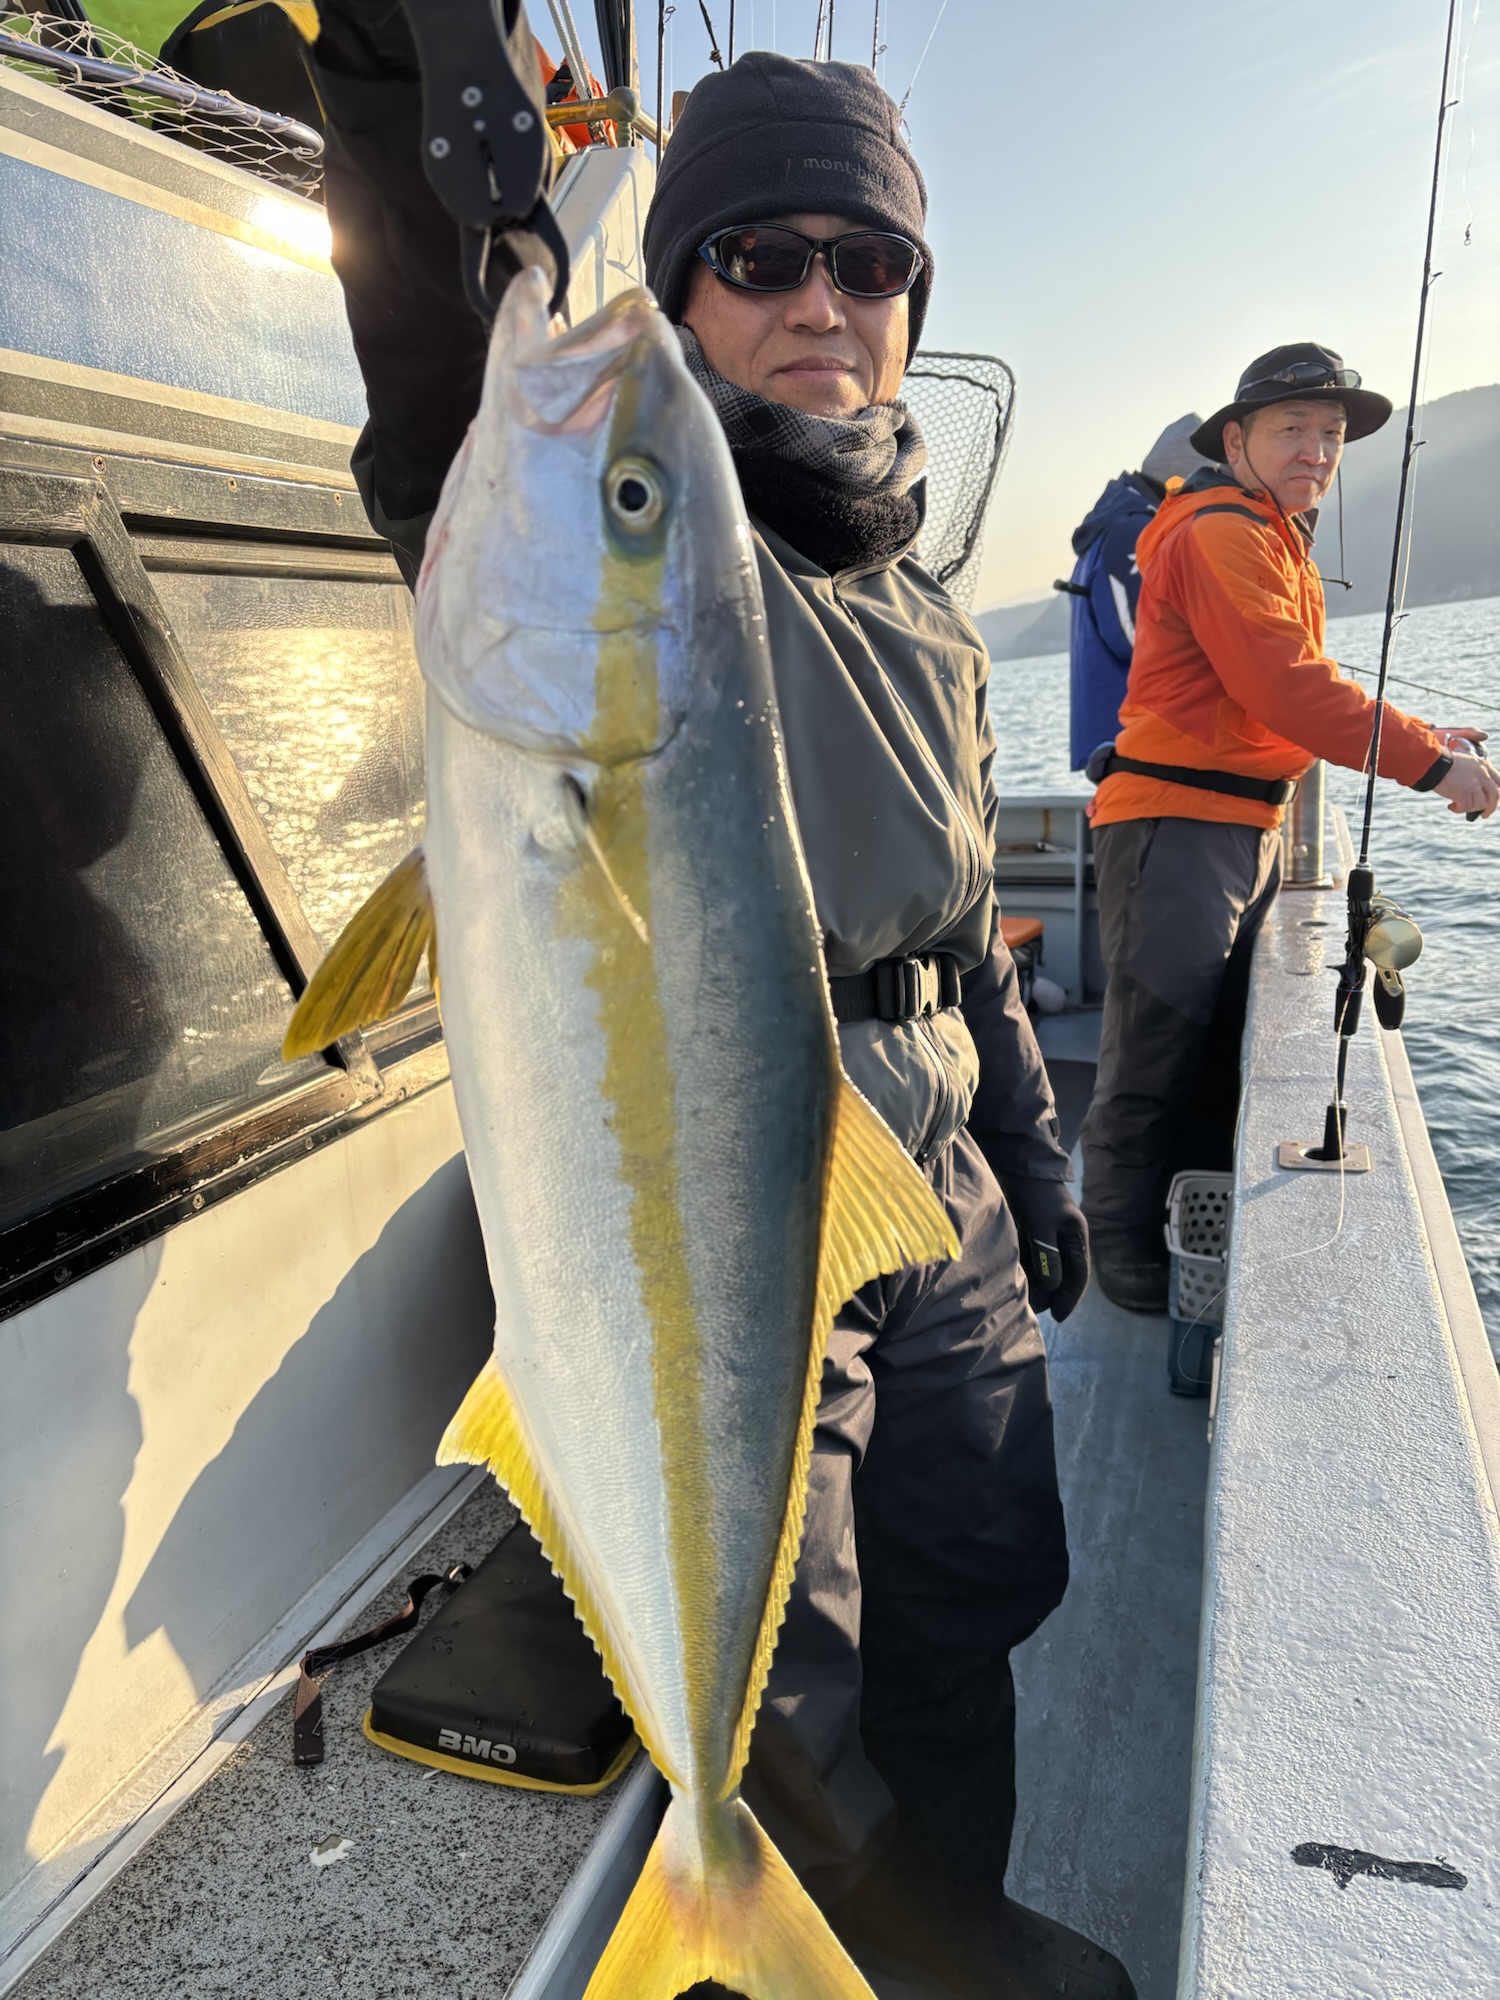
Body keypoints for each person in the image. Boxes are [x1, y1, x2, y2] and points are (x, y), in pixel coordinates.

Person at [308, 17, 1130, 1994]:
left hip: (932, 1167)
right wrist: (401, 90)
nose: (824, 300)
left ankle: (952, 1913)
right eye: (762, 257)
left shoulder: (926, 605)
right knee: (795, 1638)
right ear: (681, 292)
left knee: (977, 1565)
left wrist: (1033, 1162)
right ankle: (802, 1931)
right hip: (733, 1171)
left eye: (871, 261)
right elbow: (435, 399)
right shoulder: (665, 527)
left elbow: (967, 933)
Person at [1080, 344, 1499, 1312]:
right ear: (1236, 441)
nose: (1316, 450)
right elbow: (1287, 687)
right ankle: (1122, 1255)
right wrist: (1434, 765)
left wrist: (1426, 732)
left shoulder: (1268, 533)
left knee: (1205, 1043)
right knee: (1155, 1049)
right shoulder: (1224, 532)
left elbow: (1290, 689)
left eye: (1332, 434)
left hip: (1238, 824)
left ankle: (1185, 1223)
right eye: (1292, 429)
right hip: (1180, 827)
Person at [1064, 415, 1212, 771]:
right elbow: (1137, 635)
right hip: (1138, 745)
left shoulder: (1120, 523)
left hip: (1127, 740)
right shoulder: (1133, 530)